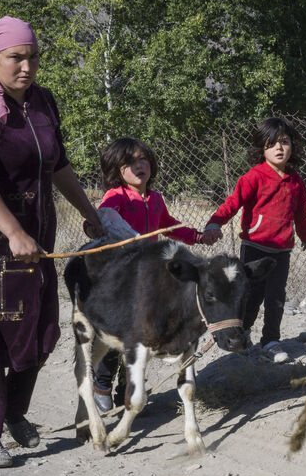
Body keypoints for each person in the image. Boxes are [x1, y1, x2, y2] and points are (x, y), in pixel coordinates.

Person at [0, 16, 105, 468]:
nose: (27, 66)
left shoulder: (42, 101)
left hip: (36, 237)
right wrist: (13, 232)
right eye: (16, 57)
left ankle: (16, 413)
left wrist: (88, 211)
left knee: (39, 330)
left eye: (33, 57)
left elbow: (59, 164)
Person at [90, 137, 218, 412]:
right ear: (116, 169)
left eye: (143, 159)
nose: (139, 165)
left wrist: (197, 236)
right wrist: (94, 227)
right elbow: (102, 220)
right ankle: (102, 385)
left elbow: (169, 226)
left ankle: (127, 391)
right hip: (122, 278)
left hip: (147, 279)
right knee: (116, 336)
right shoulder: (116, 197)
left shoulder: (156, 199)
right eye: (129, 162)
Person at [203, 118, 306, 361]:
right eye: (271, 143)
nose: (279, 147)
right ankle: (241, 335)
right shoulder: (253, 177)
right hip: (254, 248)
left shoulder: (296, 182)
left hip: (281, 253)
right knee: (251, 296)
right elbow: (232, 203)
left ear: (292, 146)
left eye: (284, 142)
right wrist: (215, 222)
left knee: (276, 298)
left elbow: (301, 215)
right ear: (261, 148)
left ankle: (271, 341)